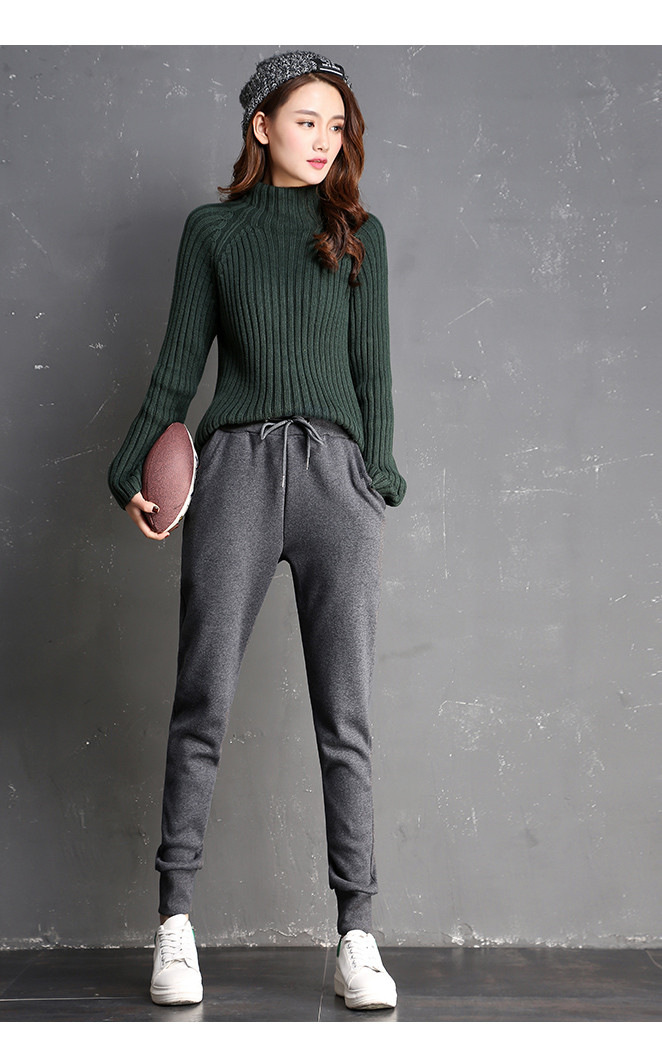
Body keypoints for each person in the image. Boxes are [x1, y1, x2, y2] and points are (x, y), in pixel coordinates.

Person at [108, 50, 406, 1011]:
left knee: (345, 716)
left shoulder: (358, 236)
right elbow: (176, 367)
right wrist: (129, 469)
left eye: (336, 125)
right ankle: (174, 924)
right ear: (261, 126)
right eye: (306, 121)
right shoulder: (213, 232)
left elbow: (373, 373)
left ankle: (357, 933)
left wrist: (375, 475)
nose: (324, 140)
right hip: (234, 470)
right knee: (202, 697)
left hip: (333, 479)